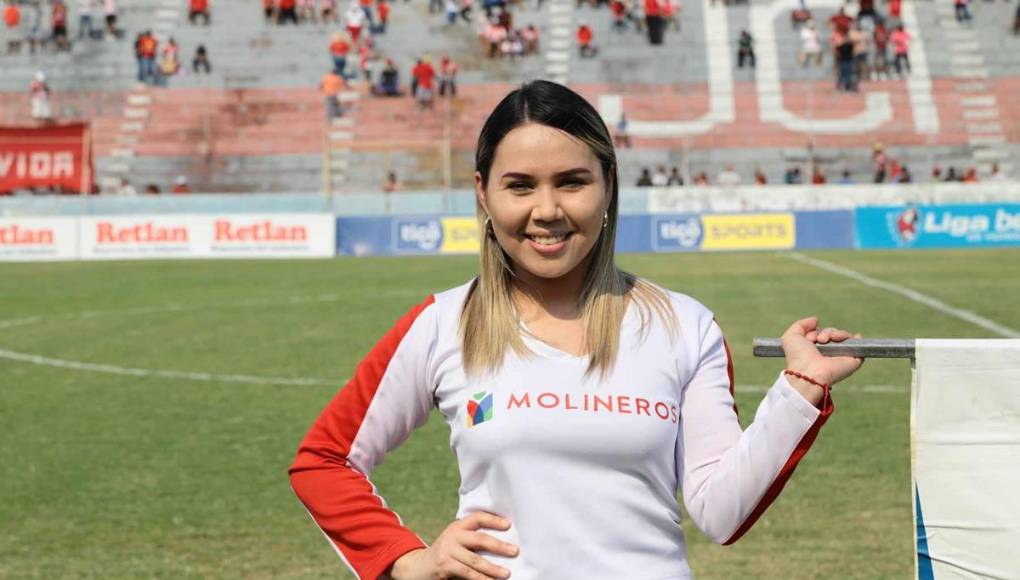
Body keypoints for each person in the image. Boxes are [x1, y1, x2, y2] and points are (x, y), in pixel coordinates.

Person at [288, 80, 864, 580]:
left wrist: (800, 391)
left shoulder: (685, 325)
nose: (547, 210)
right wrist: (408, 560)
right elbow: (324, 461)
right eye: (520, 185)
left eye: (571, 182)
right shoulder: (443, 324)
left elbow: (722, 512)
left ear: (608, 185)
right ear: (482, 193)